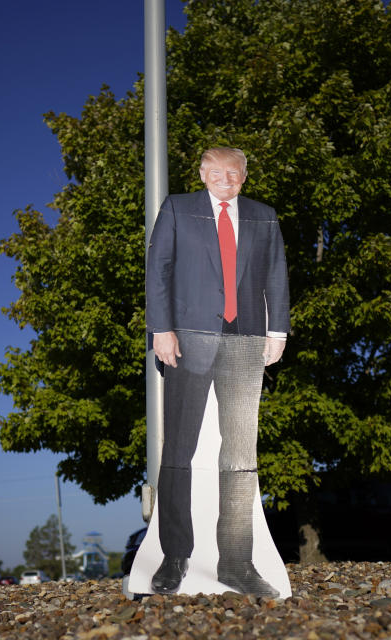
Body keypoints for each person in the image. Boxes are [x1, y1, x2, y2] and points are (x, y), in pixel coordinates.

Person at [146, 147, 290, 597]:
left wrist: (278, 331)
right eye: (217, 172)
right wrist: (161, 330)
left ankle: (236, 562)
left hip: (247, 339)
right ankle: (174, 556)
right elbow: (159, 270)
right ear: (204, 175)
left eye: (234, 172)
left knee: (242, 454)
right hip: (188, 337)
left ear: (244, 176)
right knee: (180, 449)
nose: (225, 178)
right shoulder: (177, 208)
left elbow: (276, 275)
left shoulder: (263, 216)